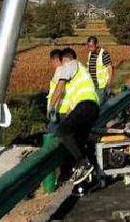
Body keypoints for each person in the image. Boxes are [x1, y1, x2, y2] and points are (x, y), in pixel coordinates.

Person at [48, 47, 100, 185]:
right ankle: (89, 171)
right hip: (92, 107)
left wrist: (50, 107)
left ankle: (83, 163)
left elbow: (59, 88)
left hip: (85, 105)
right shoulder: (81, 70)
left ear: (66, 59)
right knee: (78, 139)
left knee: (63, 131)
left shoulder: (70, 64)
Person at [46, 48, 70, 133]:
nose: (51, 64)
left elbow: (60, 90)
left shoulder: (60, 71)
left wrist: (52, 108)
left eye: (51, 61)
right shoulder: (65, 70)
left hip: (59, 110)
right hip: (62, 109)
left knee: (52, 134)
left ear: (55, 59)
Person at [85, 36, 114, 103]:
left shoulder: (104, 54)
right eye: (89, 46)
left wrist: (108, 84)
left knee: (99, 104)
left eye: (91, 46)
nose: (90, 49)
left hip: (102, 86)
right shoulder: (90, 54)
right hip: (92, 85)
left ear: (96, 45)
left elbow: (110, 69)